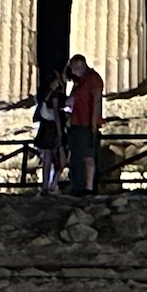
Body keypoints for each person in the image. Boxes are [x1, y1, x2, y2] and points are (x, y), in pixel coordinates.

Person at [65, 54, 105, 196]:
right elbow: (70, 101)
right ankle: (78, 185)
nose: (72, 71)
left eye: (74, 68)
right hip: (77, 122)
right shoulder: (80, 82)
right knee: (77, 155)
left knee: (88, 155)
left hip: (87, 123)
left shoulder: (93, 79)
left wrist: (94, 123)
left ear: (81, 65)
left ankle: (88, 187)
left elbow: (96, 101)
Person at [33, 64, 68, 195]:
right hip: (53, 128)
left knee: (47, 157)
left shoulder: (42, 94)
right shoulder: (55, 95)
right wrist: (60, 133)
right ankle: (54, 184)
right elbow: (57, 116)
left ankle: (45, 185)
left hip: (44, 127)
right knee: (62, 157)